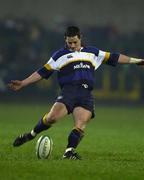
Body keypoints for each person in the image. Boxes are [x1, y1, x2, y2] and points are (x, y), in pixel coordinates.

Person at [8, 26, 144, 160]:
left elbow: (115, 57)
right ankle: (31, 135)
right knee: (52, 118)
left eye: (75, 42)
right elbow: (42, 72)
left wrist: (137, 61)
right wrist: (23, 83)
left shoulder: (93, 52)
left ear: (80, 38)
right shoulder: (59, 55)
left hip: (86, 94)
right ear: (65, 41)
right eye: (69, 43)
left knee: (80, 124)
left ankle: (69, 152)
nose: (72, 45)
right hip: (69, 92)